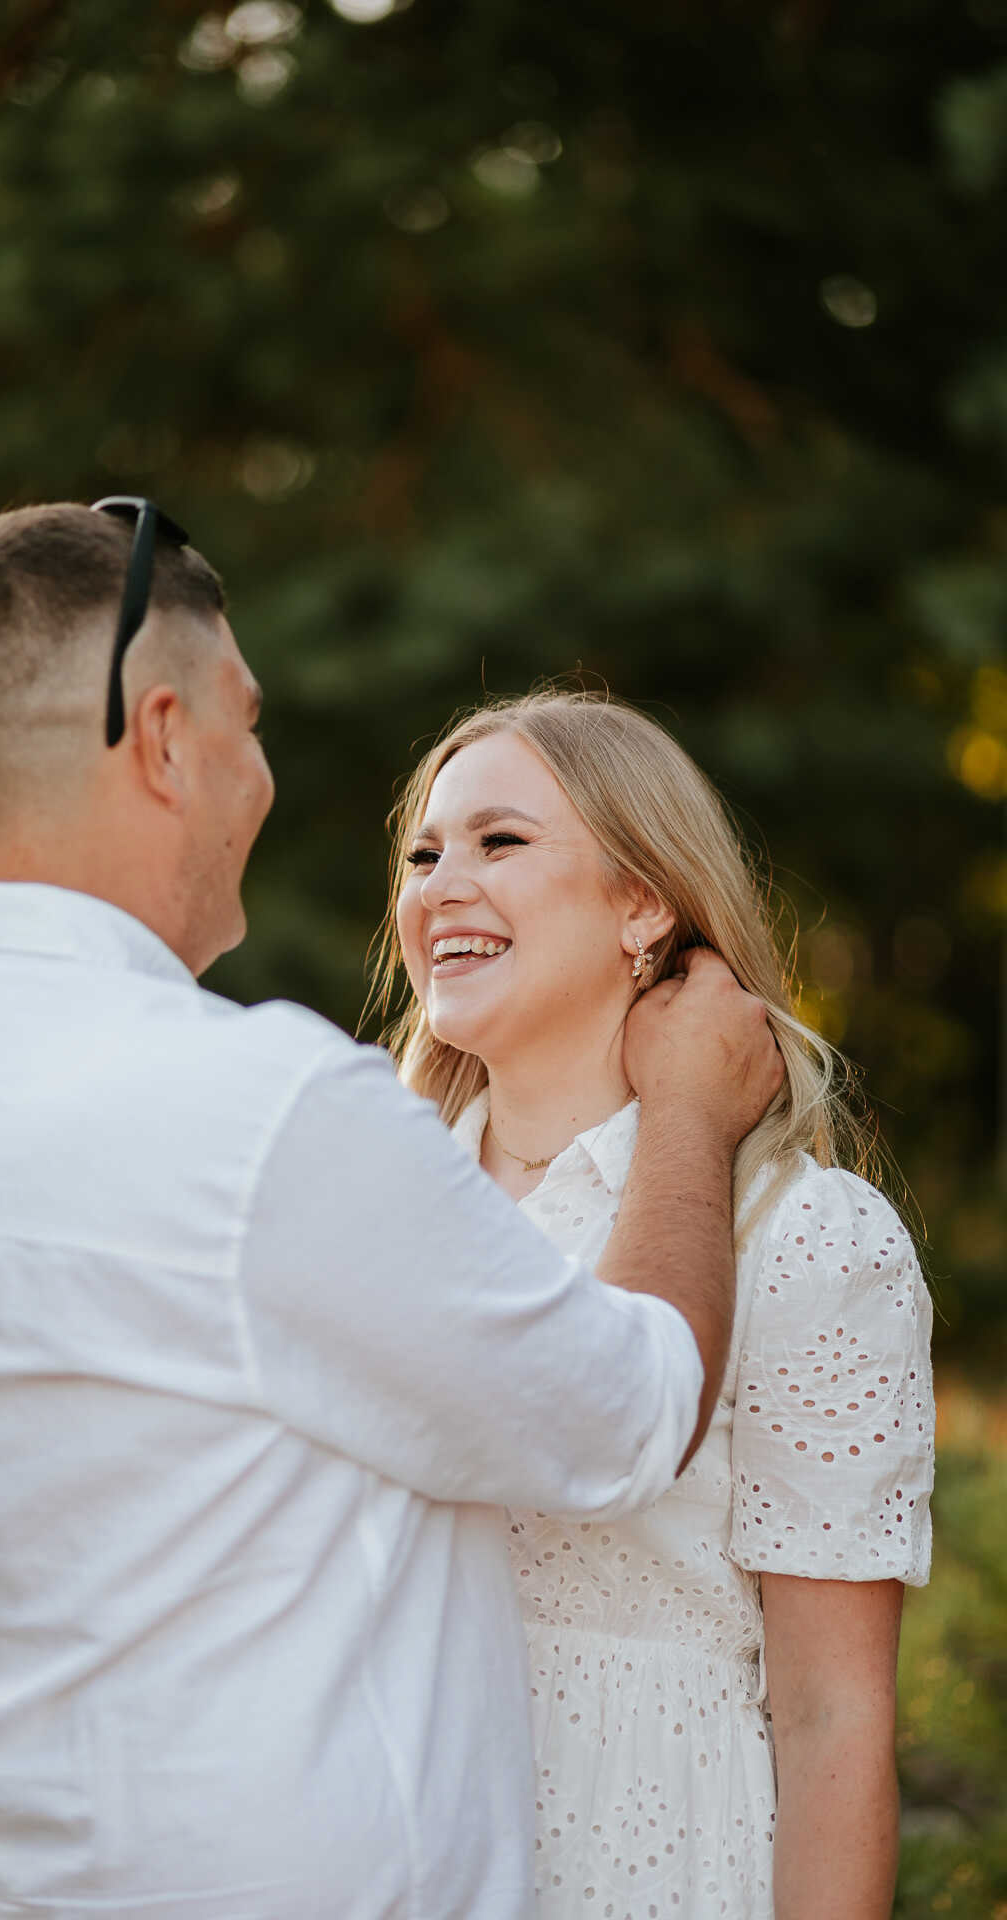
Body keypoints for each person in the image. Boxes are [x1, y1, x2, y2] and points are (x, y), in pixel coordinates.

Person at [0, 502, 782, 1920]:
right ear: (164, 740)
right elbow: (628, 1416)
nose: (262, 777)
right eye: (246, 724)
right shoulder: (263, 1115)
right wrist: (688, 1111)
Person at [376, 688, 936, 1920]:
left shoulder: (799, 1235)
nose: (439, 887)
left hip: (656, 1860)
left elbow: (831, 1712)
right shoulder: (360, 1203)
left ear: (642, 905)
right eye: (423, 856)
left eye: (498, 842)